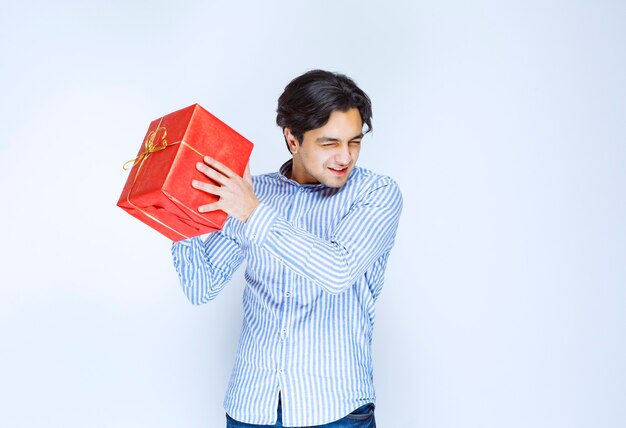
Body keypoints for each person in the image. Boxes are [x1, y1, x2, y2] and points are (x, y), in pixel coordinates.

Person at [172, 69, 403, 427]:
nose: (345, 157)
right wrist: (174, 207)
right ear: (292, 139)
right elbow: (201, 287)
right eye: (329, 143)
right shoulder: (252, 193)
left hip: (335, 412)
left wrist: (252, 213)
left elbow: (338, 269)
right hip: (252, 408)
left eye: (354, 141)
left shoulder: (375, 194)